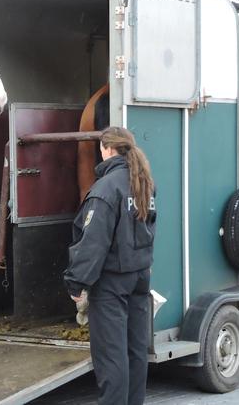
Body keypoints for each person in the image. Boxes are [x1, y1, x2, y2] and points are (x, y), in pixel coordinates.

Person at [63, 126, 156, 405]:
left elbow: (94, 241)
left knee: (111, 358)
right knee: (136, 352)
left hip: (112, 283)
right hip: (139, 278)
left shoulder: (106, 187)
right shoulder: (144, 182)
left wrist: (76, 282)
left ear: (107, 149)